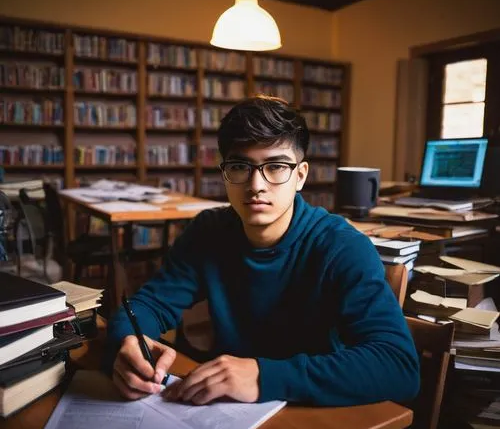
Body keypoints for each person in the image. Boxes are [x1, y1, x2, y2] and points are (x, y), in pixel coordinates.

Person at [103, 95, 420, 406]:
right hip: (227, 411)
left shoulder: (342, 247)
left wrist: (262, 376)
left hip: (310, 411)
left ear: (300, 175)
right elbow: (148, 305)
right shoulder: (208, 232)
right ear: (225, 172)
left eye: (276, 166)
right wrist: (129, 342)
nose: (256, 185)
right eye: (241, 166)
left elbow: (398, 367)